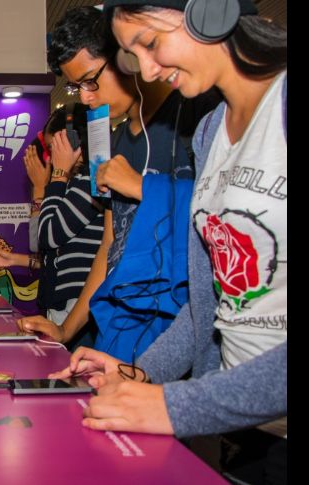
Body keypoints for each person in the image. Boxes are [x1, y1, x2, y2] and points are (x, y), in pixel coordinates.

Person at [52, 0, 286, 482]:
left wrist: (174, 404)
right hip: (243, 425)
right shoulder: (209, 133)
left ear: (213, 12)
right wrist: (141, 372)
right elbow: (207, 308)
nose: (150, 69)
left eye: (151, 43)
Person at [16, 6, 218, 361]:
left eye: (91, 80)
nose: (85, 97)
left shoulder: (197, 114)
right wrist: (66, 330)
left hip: (188, 334)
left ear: (128, 58)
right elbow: (109, 246)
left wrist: (139, 186)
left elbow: (225, 220)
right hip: (124, 332)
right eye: (77, 86)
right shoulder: (112, 145)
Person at [0, 105, 104, 348]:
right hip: (58, 303)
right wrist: (15, 259)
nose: (49, 156)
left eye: (52, 149)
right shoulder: (71, 186)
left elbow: (48, 236)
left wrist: (51, 181)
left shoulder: (89, 182)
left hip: (78, 309)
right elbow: (44, 247)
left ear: (73, 142)